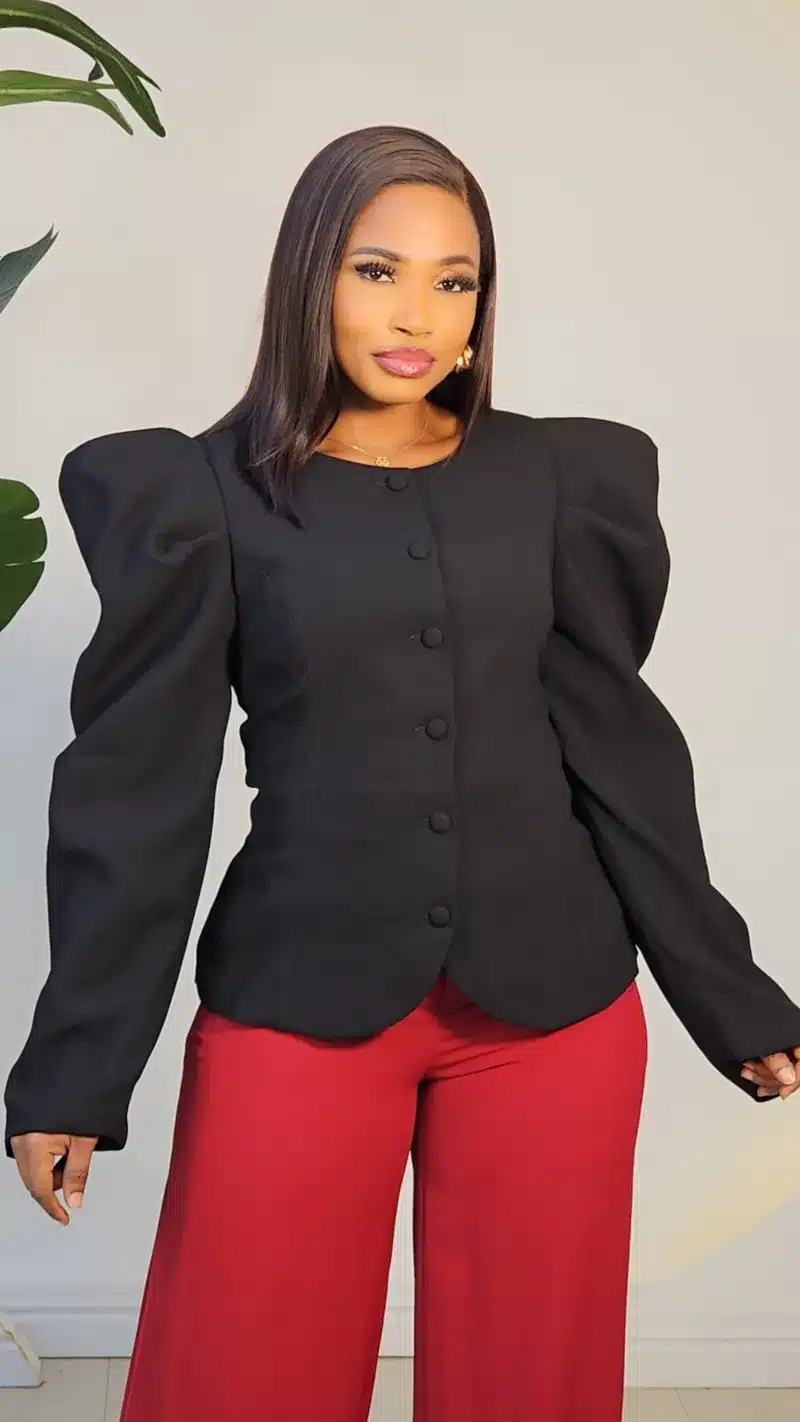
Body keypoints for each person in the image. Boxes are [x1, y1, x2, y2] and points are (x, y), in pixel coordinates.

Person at [4, 123, 800, 1422]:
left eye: (455, 278)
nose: (418, 312)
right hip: (298, 989)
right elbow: (137, 795)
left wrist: (731, 993)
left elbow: (622, 749)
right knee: (240, 1379)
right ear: (309, 278)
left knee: (532, 1389)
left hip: (555, 1008)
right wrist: (73, 1072)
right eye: (378, 270)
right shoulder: (199, 497)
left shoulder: (560, 480)